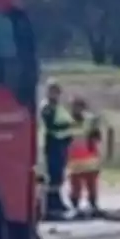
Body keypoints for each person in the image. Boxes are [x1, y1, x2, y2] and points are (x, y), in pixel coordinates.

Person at [39, 80, 74, 217]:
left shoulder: (58, 106)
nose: (56, 94)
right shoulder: (47, 107)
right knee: (52, 175)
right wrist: (66, 127)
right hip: (52, 144)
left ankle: (57, 200)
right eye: (54, 91)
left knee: (59, 175)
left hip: (61, 145)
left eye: (58, 92)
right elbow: (51, 125)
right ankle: (50, 204)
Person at [66, 97, 103, 217]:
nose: (77, 109)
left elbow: (97, 137)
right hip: (74, 158)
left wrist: (94, 133)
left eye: (79, 107)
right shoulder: (67, 121)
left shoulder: (90, 120)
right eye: (75, 107)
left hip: (89, 157)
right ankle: (75, 206)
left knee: (91, 183)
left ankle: (92, 204)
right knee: (75, 184)